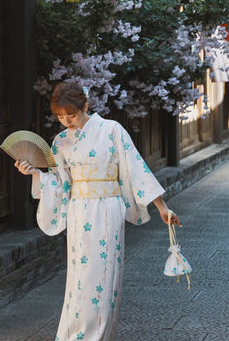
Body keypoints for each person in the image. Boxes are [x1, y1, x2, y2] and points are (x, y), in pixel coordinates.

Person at [15, 82, 181, 341]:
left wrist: (163, 207)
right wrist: (35, 173)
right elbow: (59, 183)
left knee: (103, 277)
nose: (67, 122)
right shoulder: (59, 142)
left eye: (72, 115)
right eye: (61, 117)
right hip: (79, 210)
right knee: (79, 277)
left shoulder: (112, 130)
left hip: (107, 209)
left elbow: (137, 168)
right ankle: (73, 335)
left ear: (86, 106)